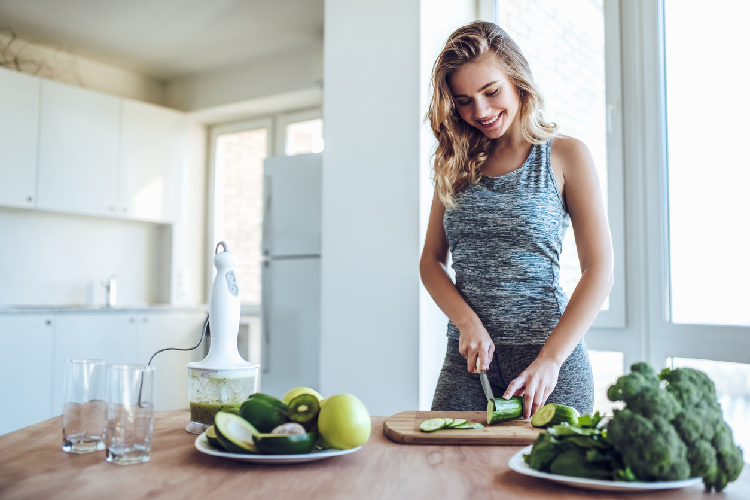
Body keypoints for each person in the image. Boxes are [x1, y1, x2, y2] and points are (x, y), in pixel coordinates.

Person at [421, 21, 614, 418]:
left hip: (548, 364)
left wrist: (552, 360)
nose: (481, 111)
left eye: (491, 92)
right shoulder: (452, 163)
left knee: (545, 479)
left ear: (517, 80)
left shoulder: (565, 156)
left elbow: (600, 269)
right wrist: (466, 323)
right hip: (469, 366)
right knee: (447, 475)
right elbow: (431, 262)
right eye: (463, 100)